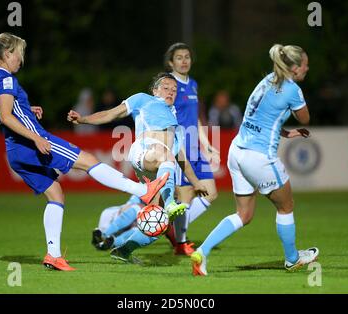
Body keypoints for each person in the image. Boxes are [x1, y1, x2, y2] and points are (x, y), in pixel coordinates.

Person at [0, 33, 169, 272]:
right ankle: (144, 190)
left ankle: (54, 255)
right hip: (32, 143)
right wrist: (36, 137)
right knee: (88, 161)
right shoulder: (6, 79)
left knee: (56, 194)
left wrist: (26, 110)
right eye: (20, 54)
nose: (21, 60)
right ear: (7, 54)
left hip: (15, 149)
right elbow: (6, 116)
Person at [191, 44, 319, 276]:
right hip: (259, 157)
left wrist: (287, 133)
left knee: (244, 215)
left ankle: (202, 252)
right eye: (305, 65)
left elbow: (261, 117)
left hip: (237, 151)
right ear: (294, 67)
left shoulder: (267, 80)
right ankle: (292, 259)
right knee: (286, 206)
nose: (307, 68)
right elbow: (306, 118)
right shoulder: (292, 89)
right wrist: (296, 101)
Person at [68, 72, 209, 262]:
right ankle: (170, 204)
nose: (171, 92)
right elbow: (111, 113)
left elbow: (180, 156)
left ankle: (123, 249)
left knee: (158, 224)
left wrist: (196, 182)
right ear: (155, 90)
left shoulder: (174, 118)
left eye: (174, 90)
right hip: (144, 151)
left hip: (160, 167)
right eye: (166, 87)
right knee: (164, 154)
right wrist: (83, 119)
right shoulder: (143, 100)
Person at [163, 43, 219, 256]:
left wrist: (206, 144)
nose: (184, 61)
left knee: (211, 194)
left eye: (187, 57)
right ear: (171, 62)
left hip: (195, 148)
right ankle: (180, 242)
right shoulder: (169, 85)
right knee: (185, 197)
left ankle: (174, 231)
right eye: (179, 57)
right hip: (180, 149)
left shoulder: (193, 84)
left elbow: (195, 118)